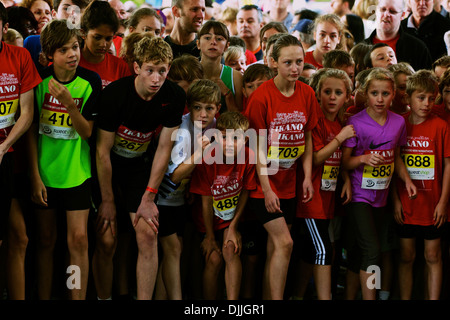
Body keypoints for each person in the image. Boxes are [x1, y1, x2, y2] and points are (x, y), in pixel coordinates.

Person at [95, 36, 185, 300]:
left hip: (139, 167)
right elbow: (102, 152)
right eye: (150, 70)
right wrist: (108, 200)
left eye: (162, 71)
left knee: (147, 233)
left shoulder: (174, 96)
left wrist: (148, 197)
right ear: (136, 68)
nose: (156, 78)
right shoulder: (114, 94)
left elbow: (164, 149)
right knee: (107, 238)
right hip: (108, 167)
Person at [29, 19, 101, 300]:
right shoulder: (39, 82)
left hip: (77, 175)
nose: (72, 54)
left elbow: (87, 133)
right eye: (63, 50)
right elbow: (32, 133)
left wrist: (71, 105)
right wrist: (34, 177)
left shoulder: (90, 82)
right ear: (49, 55)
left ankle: (77, 296)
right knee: (45, 241)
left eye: (75, 47)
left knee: (79, 241)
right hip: (44, 176)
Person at [246, 34, 318, 300]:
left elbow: (308, 137)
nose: (295, 68)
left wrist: (307, 177)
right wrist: (266, 189)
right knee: (285, 242)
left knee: (276, 248)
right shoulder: (261, 97)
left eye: (299, 61)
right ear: (273, 62)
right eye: (288, 63)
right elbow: (256, 148)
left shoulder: (307, 92)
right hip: (261, 184)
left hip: (289, 184)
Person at [341, 67, 417, 300]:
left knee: (363, 253)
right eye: (375, 93)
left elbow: (396, 157)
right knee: (372, 252)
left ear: (394, 94)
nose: (380, 99)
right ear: (365, 94)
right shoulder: (355, 122)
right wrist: (363, 158)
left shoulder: (398, 122)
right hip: (359, 196)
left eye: (385, 94)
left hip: (381, 197)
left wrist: (407, 180)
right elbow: (344, 162)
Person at [154, 79, 220, 300]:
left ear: (217, 108)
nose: (203, 113)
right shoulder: (182, 129)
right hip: (163, 198)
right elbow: (174, 175)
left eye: (209, 108)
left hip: (182, 200)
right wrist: (199, 153)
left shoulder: (216, 126)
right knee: (173, 250)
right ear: (189, 107)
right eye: (197, 108)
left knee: (174, 253)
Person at [293, 68, 355, 300]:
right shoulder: (316, 121)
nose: (332, 97)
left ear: (347, 97)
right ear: (317, 93)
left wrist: (346, 179)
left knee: (311, 253)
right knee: (323, 251)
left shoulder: (340, 124)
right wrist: (341, 138)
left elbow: (336, 161)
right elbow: (317, 158)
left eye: (338, 92)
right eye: (327, 91)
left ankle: (297, 296)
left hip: (327, 199)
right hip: (311, 201)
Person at [392, 69, 450, 300]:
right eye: (420, 97)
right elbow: (393, 161)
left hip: (433, 205)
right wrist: (395, 200)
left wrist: (443, 203)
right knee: (406, 256)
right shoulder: (399, 124)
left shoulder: (441, 126)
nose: (426, 103)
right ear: (408, 98)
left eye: (430, 98)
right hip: (406, 205)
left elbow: (448, 166)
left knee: (433, 256)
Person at [189, 111, 256, 300]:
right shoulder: (207, 158)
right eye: (224, 137)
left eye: (236, 138)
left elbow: (245, 192)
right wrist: (209, 236)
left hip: (230, 219)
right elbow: (206, 201)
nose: (228, 143)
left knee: (231, 249)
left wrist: (234, 227)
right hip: (206, 221)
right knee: (214, 259)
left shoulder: (249, 157)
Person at [0, 1, 41, 296]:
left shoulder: (19, 56)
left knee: (19, 237)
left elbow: (27, 114)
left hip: (10, 158)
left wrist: (3, 146)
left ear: (4, 28)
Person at [364, 0, 432, 72]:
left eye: (392, 11)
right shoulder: (362, 48)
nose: (386, 14)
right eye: (383, 9)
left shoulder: (417, 48)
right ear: (375, 11)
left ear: (402, 15)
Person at [78, 0, 131, 89]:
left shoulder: (121, 68)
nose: (103, 44)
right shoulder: (68, 63)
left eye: (108, 38)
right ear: (83, 33)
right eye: (97, 37)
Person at [197, 20, 244, 113]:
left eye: (219, 39)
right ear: (198, 44)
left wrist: (228, 94)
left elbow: (239, 118)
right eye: (207, 38)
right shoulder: (188, 72)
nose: (213, 42)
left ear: (227, 46)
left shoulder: (236, 77)